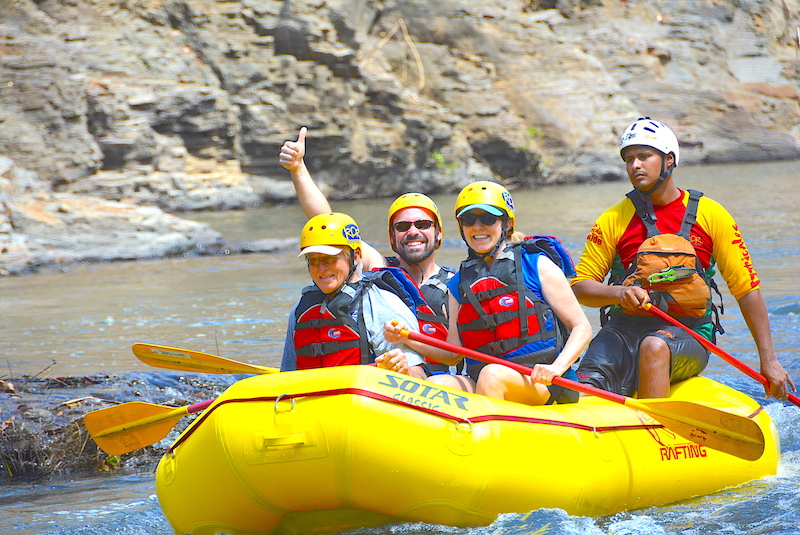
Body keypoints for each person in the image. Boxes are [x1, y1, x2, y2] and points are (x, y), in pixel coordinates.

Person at [571, 117, 796, 400]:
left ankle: (656, 431)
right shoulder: (613, 219)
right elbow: (580, 287)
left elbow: (746, 289)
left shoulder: (712, 215)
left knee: (654, 346)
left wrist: (769, 360)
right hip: (623, 330)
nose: (634, 166)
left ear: (668, 160)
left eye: (644, 156)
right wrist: (619, 292)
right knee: (585, 383)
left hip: (687, 334)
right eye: (629, 159)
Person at [386, 181, 592, 405]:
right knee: (437, 386)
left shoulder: (536, 264)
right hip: (485, 380)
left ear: (507, 224)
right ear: (461, 227)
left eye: (488, 218)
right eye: (468, 220)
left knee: (491, 375)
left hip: (542, 383)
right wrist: (406, 336)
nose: (477, 226)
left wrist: (557, 367)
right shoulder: (459, 284)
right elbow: (453, 353)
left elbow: (582, 327)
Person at [280, 127, 457, 375]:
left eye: (423, 225)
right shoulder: (381, 272)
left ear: (439, 233)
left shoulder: (455, 286)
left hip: (438, 381)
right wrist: (298, 169)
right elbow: (327, 224)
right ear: (392, 236)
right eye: (403, 226)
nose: (413, 232)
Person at [281, 212, 427, 379]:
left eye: (330, 259)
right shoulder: (300, 311)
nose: (321, 268)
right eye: (313, 260)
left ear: (356, 255)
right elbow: (287, 375)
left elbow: (420, 378)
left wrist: (405, 371)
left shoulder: (383, 306)